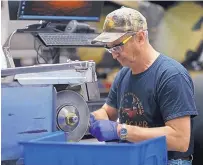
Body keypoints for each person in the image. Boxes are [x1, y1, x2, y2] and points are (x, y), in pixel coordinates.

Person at [89, 6, 198, 165]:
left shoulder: (171, 76)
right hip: (133, 157)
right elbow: (107, 111)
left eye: (118, 46)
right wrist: (96, 119)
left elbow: (180, 140)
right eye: (109, 47)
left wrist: (121, 131)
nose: (113, 54)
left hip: (165, 160)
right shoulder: (124, 74)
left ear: (140, 37)